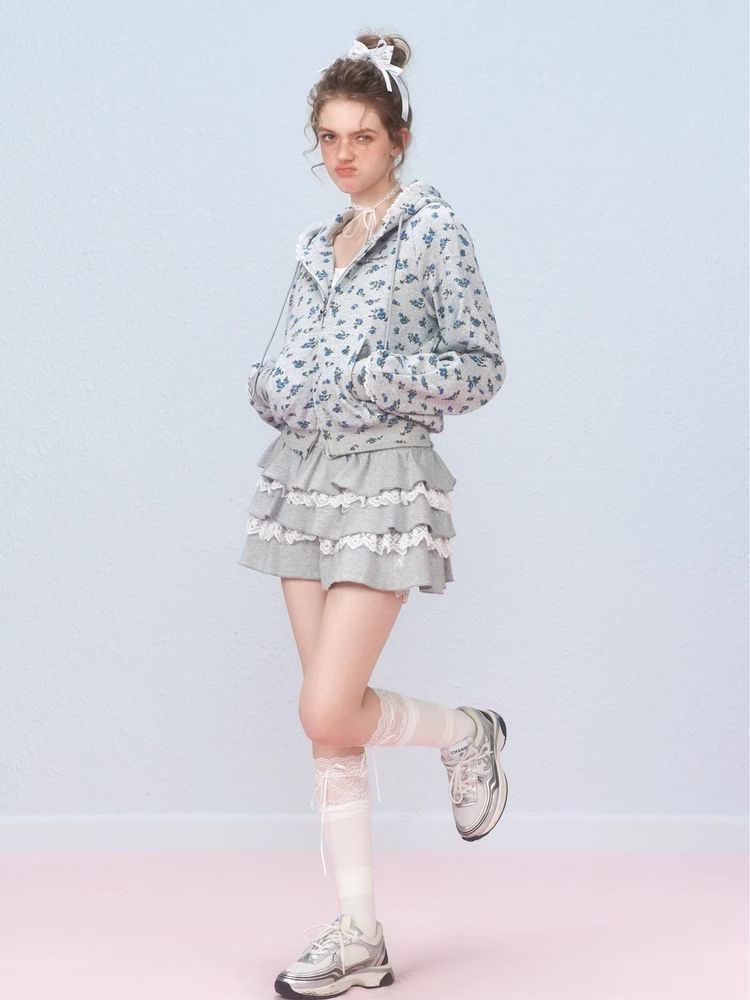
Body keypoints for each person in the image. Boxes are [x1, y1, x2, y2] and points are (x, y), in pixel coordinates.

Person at [239, 31, 509, 999]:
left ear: (399, 137)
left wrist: (377, 378)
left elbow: (480, 365)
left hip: (386, 477)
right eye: (329, 137)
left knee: (326, 701)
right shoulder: (316, 245)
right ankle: (360, 935)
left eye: (362, 135)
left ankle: (467, 731)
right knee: (331, 727)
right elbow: (287, 357)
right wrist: (272, 387)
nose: (343, 154)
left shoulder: (434, 230)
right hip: (303, 477)